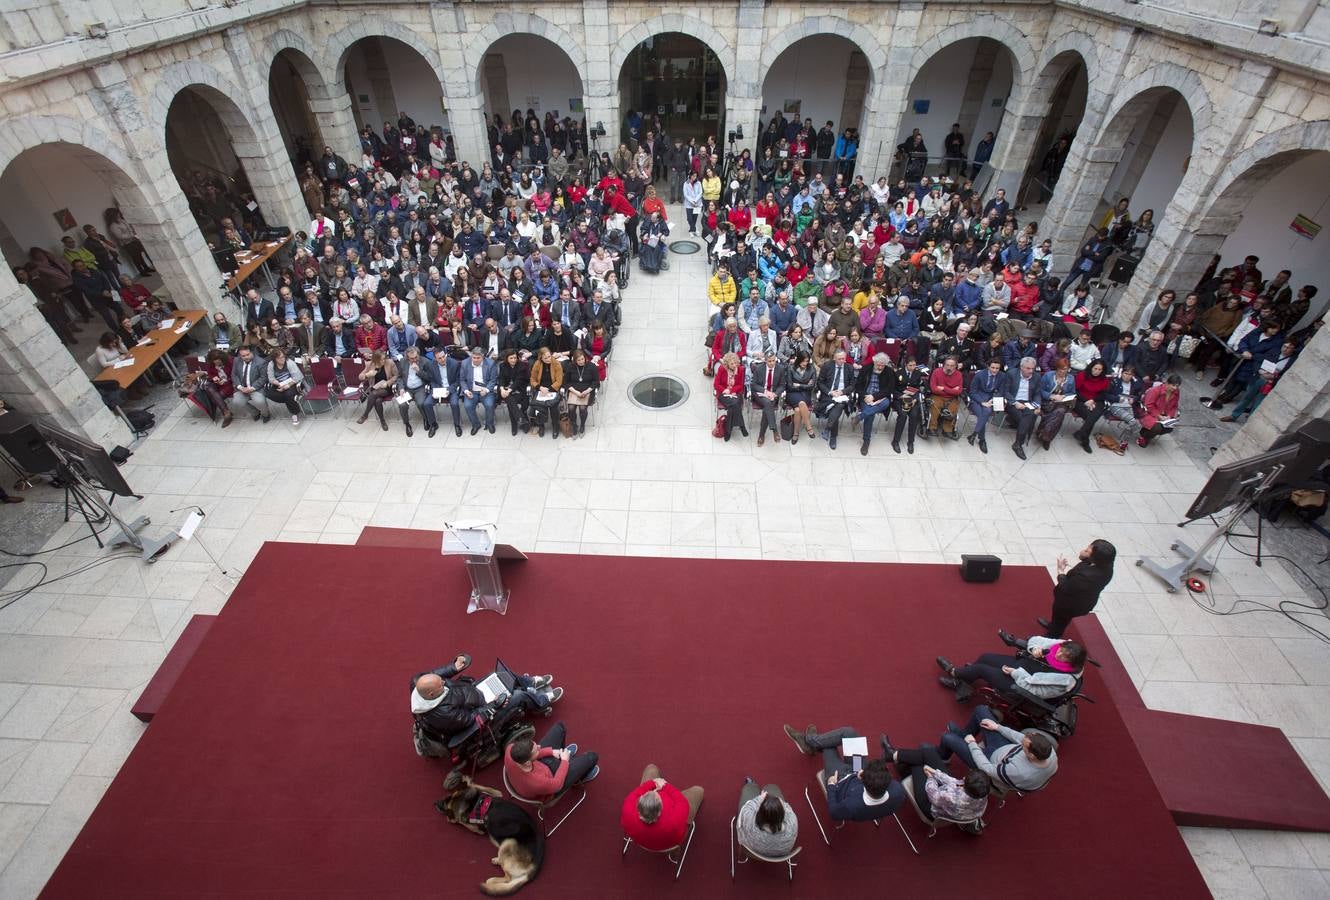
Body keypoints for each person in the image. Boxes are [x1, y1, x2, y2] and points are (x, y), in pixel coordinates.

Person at [411, 655, 560, 741]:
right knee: (518, 696)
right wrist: (495, 705)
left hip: (474, 691)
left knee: (502, 676)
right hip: (482, 708)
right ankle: (541, 702)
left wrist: (454, 667)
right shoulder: (444, 714)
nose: (444, 681)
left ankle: (529, 682)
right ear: (431, 695)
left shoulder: (418, 683)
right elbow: (470, 719)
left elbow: (435, 674)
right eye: (441, 684)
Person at [781, 724, 904, 821]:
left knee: (829, 746)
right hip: (855, 769)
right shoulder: (897, 791)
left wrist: (832, 786)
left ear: (862, 777)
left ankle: (809, 741)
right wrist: (862, 771)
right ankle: (810, 741)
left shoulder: (851, 806)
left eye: (863, 773)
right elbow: (866, 773)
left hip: (840, 778)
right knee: (849, 732)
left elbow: (834, 812)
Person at [938, 706, 1058, 792]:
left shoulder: (1020, 772)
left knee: (947, 737)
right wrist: (998, 727)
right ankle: (963, 735)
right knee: (981, 710)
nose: (1022, 743)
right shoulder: (1048, 751)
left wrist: (973, 744)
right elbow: (1021, 738)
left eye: (1024, 746)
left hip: (989, 762)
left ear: (1031, 755)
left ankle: (943, 758)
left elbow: (986, 768)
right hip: (1005, 749)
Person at [936, 634, 1086, 701]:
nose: (1059, 655)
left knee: (980, 669)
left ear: (1072, 662)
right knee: (986, 657)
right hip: (1023, 666)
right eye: (1061, 650)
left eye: (1065, 656)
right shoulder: (1061, 646)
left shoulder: (1064, 680)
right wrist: (1034, 648)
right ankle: (965, 679)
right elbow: (1036, 639)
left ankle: (955, 674)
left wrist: (1015, 673)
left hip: (1021, 683)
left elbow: (1034, 690)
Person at [881, 738, 989, 824]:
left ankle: (894, 758)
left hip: (931, 808)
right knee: (928, 752)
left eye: (965, 779)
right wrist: (936, 773)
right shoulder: (982, 792)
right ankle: (894, 756)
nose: (964, 778)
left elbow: (932, 794)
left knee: (919, 764)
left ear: (966, 785)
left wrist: (931, 776)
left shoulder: (950, 797)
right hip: (955, 807)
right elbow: (954, 783)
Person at [1040, 539, 1116, 637]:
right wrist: (1084, 556)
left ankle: (1051, 636)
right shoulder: (1107, 564)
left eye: (1087, 551)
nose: (1084, 551)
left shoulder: (1087, 577)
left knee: (1061, 619)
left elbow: (1066, 587)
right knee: (1059, 620)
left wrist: (1061, 571)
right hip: (1082, 600)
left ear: (1095, 558)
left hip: (1070, 604)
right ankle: (1053, 626)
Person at [504, 722, 600, 799]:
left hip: (540, 765)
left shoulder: (510, 749)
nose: (539, 746)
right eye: (536, 749)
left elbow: (533, 754)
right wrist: (564, 761)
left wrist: (551, 751)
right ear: (528, 762)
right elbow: (557, 784)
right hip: (553, 779)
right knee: (592, 757)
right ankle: (579, 779)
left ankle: (562, 754)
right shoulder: (537, 782)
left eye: (535, 744)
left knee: (560, 727)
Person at [622, 766, 704, 852]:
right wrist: (665, 785)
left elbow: (637, 792)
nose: (656, 791)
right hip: (669, 842)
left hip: (641, 840)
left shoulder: (628, 808)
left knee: (651, 769)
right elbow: (682, 801)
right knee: (698, 790)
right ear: (659, 811)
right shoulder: (674, 820)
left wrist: (654, 783)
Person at [736, 778, 798, 859]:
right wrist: (779, 803)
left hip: (752, 850)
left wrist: (760, 799)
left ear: (759, 812)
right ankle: (764, 787)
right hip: (780, 855)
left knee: (749, 789)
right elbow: (787, 807)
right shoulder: (792, 822)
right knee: (772, 788)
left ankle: (751, 785)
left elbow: (747, 807)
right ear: (782, 814)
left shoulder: (749, 819)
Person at [853, 352, 897, 456]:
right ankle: (866, 441)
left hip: (880, 397)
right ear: (874, 362)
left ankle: (859, 417)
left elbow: (890, 389)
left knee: (886, 403)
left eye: (883, 365)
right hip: (866, 396)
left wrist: (875, 397)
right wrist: (865, 396)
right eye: (879, 364)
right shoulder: (866, 369)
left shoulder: (889, 372)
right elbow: (858, 386)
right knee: (870, 414)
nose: (881, 367)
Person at [1004, 356, 1042, 459]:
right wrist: (1015, 402)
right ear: (1021, 367)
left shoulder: (1036, 377)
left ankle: (1018, 443)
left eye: (1033, 368)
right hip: (1013, 402)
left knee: (1028, 415)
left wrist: (1037, 405)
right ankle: (1018, 444)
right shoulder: (1011, 374)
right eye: (1028, 368)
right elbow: (1005, 391)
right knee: (1028, 417)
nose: (1031, 371)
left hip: (1028, 402)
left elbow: (1037, 394)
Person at [816, 348, 853, 450]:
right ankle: (832, 435)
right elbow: (820, 382)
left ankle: (829, 431)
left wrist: (842, 392)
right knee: (837, 409)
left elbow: (852, 385)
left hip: (842, 395)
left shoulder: (849, 368)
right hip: (829, 394)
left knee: (839, 405)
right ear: (834, 358)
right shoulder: (827, 366)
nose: (842, 361)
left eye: (843, 359)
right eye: (839, 359)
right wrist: (830, 392)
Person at [966, 357, 1004, 454]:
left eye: (997, 368)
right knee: (986, 413)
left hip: (990, 399)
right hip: (977, 399)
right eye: (993, 367)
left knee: (985, 412)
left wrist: (993, 399)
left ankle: (974, 435)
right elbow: (972, 392)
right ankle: (982, 439)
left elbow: (1001, 391)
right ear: (988, 366)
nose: (995, 370)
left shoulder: (1002, 376)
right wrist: (982, 402)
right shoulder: (979, 375)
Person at [355, 350, 399, 431]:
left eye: (384, 359)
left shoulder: (390, 362)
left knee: (373, 394)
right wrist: (367, 375)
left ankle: (365, 415)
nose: (383, 361)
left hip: (387, 387)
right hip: (376, 387)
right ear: (375, 360)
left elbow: (396, 376)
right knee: (377, 401)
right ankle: (382, 420)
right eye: (381, 359)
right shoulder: (369, 364)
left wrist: (388, 382)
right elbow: (360, 377)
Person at [1136, 373, 1180, 447]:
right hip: (1148, 413)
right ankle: (1144, 436)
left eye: (1177, 386)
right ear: (1167, 383)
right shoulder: (1155, 391)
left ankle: (1148, 434)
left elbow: (1174, 406)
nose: (1175, 388)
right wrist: (1159, 416)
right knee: (1157, 427)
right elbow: (1149, 405)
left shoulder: (1176, 392)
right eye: (1173, 385)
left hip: (1164, 415)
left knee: (1169, 428)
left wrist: (1170, 415)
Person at [264, 349, 306, 425]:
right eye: (279, 358)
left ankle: (295, 413)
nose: (282, 359)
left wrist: (288, 385)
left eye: (283, 357)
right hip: (279, 384)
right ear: (274, 359)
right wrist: (277, 383)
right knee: (269, 393)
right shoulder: (271, 364)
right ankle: (291, 403)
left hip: (293, 383)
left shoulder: (289, 363)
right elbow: (271, 378)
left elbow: (298, 377)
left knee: (288, 394)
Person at [926, 355, 963, 440]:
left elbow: (959, 391)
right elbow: (934, 389)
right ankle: (932, 427)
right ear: (944, 364)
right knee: (934, 406)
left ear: (955, 366)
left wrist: (943, 388)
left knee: (953, 408)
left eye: (952, 366)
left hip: (951, 398)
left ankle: (947, 430)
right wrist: (951, 390)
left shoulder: (959, 375)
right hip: (937, 396)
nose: (949, 367)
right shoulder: (936, 372)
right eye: (947, 365)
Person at [229, 346, 270, 422]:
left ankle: (266, 414)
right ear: (240, 356)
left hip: (256, 388)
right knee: (237, 402)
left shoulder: (261, 362)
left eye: (248, 354)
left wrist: (252, 388)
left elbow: (263, 377)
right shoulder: (237, 360)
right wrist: (240, 387)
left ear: (252, 353)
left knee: (260, 401)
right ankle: (255, 412)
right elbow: (234, 375)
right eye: (243, 356)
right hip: (242, 388)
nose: (246, 357)